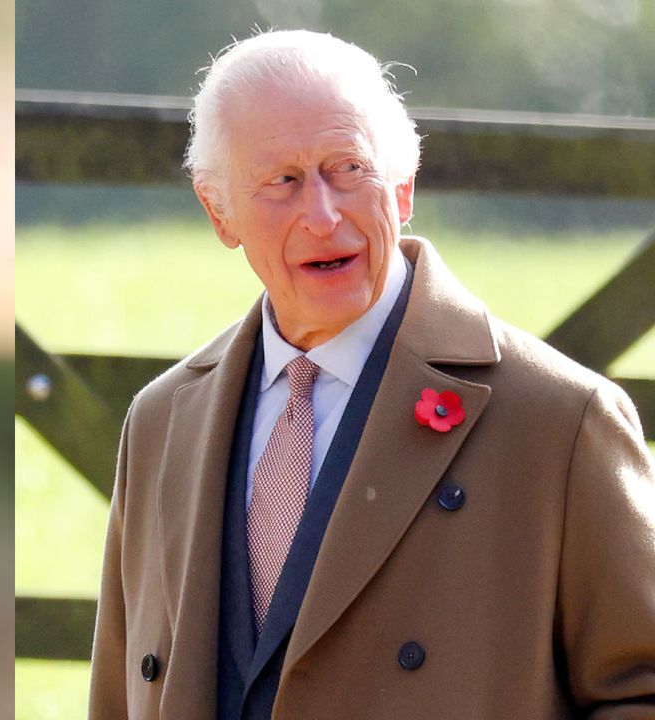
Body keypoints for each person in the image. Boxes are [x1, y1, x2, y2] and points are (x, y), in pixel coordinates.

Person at [87, 29, 655, 720]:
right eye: (282, 182)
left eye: (348, 169)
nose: (323, 217)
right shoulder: (160, 421)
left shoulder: (561, 420)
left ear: (404, 186)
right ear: (219, 212)